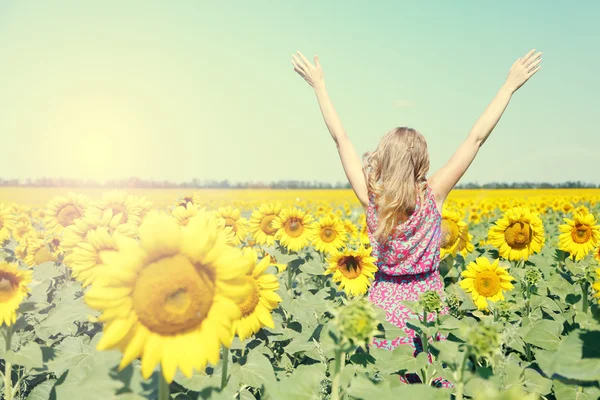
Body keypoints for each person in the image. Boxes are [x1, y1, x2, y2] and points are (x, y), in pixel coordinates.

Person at [291, 49, 542, 386]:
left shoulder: (372, 199)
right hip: (428, 305)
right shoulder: (433, 195)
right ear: (422, 163)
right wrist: (508, 87)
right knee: (431, 384)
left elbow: (342, 140)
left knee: (389, 385)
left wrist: (320, 87)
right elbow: (476, 138)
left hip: (383, 308)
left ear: (381, 161)